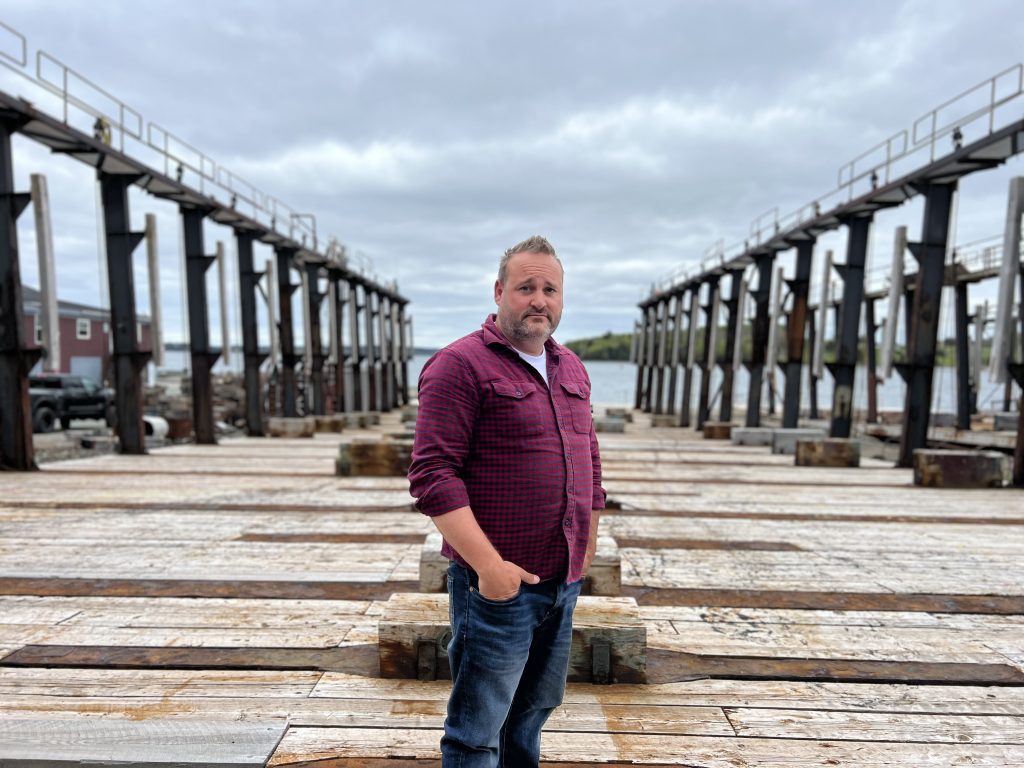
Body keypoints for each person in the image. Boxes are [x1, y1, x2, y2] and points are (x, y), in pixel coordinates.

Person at [408, 235, 605, 767]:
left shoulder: (572, 369)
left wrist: (587, 542)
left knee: (531, 717)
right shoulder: (459, 366)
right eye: (525, 288)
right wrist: (490, 569)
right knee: (477, 729)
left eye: (550, 289)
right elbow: (432, 476)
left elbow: (590, 459)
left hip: (561, 580)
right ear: (499, 292)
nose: (538, 300)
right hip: (495, 587)